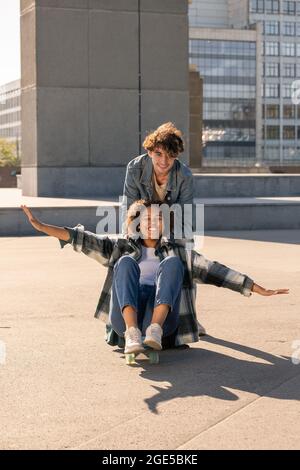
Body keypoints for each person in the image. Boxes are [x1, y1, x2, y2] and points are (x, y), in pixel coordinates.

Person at [21, 201, 289, 355]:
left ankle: (154, 330)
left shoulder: (178, 252)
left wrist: (256, 287)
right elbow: (83, 239)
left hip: (162, 318)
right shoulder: (121, 246)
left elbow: (216, 270)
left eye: (157, 219)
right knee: (125, 263)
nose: (151, 224)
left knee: (173, 263)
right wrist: (42, 227)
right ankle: (133, 333)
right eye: (145, 219)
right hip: (126, 316)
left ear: (164, 224)